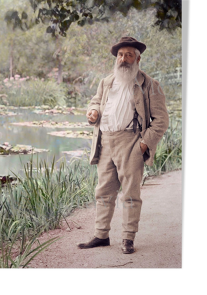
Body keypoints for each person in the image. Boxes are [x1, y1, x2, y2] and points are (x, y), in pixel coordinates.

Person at [77, 36, 169, 254]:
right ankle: (101, 235)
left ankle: (128, 238)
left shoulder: (150, 85)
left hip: (132, 142)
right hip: (105, 140)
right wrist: (93, 113)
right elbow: (96, 102)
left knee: (130, 193)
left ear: (137, 58)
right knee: (103, 191)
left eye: (129, 54)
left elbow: (162, 120)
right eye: (120, 55)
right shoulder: (106, 82)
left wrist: (144, 143)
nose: (124, 59)